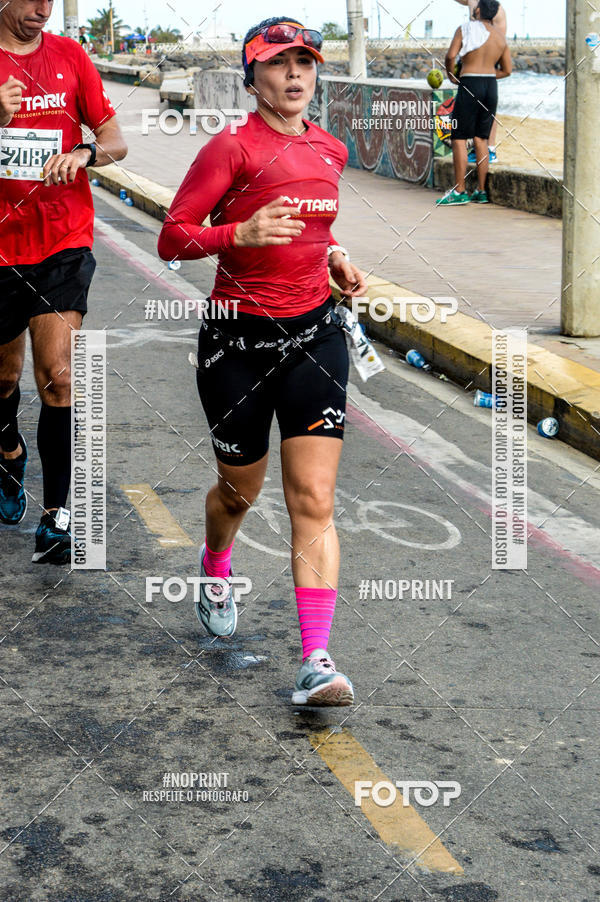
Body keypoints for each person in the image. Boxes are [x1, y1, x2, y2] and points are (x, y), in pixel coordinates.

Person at [158, 16, 368, 706]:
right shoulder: (231, 149)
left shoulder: (331, 149)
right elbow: (174, 238)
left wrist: (333, 258)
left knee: (313, 498)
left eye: (306, 62)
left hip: (315, 335)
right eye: (280, 64)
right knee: (240, 492)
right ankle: (216, 560)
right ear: (253, 77)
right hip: (236, 343)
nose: (296, 75)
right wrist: (237, 233)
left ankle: (316, 660)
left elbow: (317, 226)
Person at [0, 0, 128, 563]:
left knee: (59, 377)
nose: (42, 9)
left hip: (62, 240)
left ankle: (56, 517)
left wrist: (84, 151)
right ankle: (7, 450)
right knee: (3, 378)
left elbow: (116, 139)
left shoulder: (71, 56)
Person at [438, 0, 511, 205]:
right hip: (491, 87)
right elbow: (507, 70)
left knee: (459, 137)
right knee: (481, 139)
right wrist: (487, 75)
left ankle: (460, 191)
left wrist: (453, 75)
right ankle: (481, 191)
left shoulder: (465, 28)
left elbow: (451, 55)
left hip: (470, 83)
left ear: (477, 10)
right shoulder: (499, 37)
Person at [453, 0, 507, 161]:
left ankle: (490, 148)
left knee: (486, 108)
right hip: (476, 54)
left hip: (489, 53)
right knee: (476, 104)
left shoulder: (492, 7)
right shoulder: (473, 2)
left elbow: (491, 34)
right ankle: (479, 148)